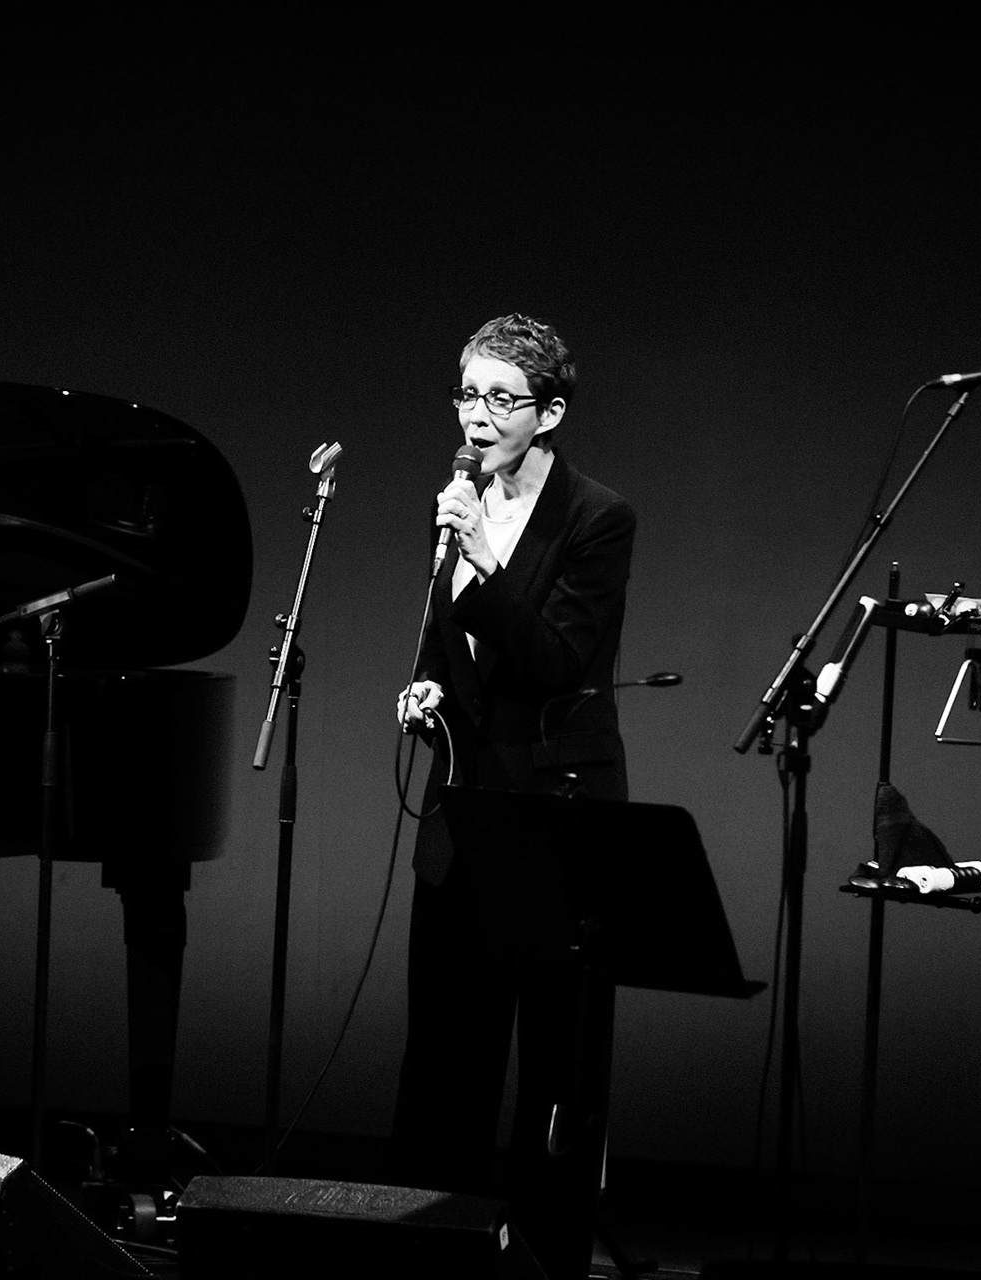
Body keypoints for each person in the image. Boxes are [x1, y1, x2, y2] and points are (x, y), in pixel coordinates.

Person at [391, 314, 636, 1280]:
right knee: (444, 1060)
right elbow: (456, 645)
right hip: (465, 812)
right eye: (468, 393)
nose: (479, 415)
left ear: (550, 412)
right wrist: (423, 687)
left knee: (557, 1074)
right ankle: (426, 1257)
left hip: (557, 818)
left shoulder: (597, 517)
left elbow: (558, 661)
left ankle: (546, 1263)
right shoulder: (461, 498)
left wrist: (486, 562)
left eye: (502, 397)